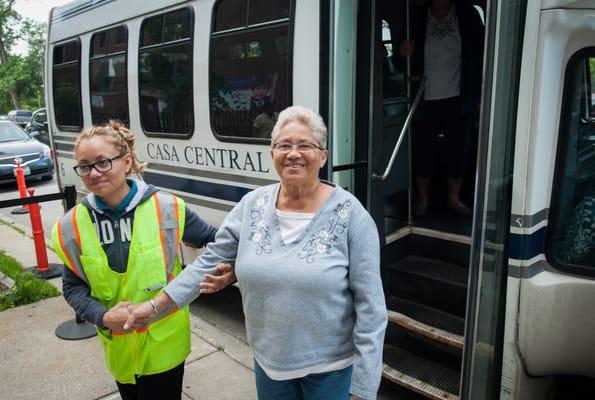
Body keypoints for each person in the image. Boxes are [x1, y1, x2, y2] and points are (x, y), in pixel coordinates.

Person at [124, 106, 388, 400]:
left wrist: (363, 390)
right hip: (269, 367)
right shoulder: (252, 205)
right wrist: (153, 309)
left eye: (305, 145)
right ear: (272, 153)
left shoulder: (352, 216)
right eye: (284, 145)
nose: (293, 153)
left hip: (331, 371)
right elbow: (208, 261)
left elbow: (371, 310)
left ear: (323, 156)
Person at [51, 121, 235, 400]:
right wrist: (101, 316)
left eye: (103, 162)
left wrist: (228, 270)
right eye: (85, 165)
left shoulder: (167, 208)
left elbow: (218, 243)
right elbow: (73, 287)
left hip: (165, 347)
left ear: (126, 162)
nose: (93, 173)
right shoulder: (71, 225)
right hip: (119, 350)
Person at [399, 0, 484, 217]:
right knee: (423, 148)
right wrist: (403, 54)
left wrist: (479, 95)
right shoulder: (416, 17)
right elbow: (400, 61)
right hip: (423, 96)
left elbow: (482, 54)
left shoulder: (468, 15)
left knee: (459, 147)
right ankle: (423, 197)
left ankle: (454, 197)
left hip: (459, 95)